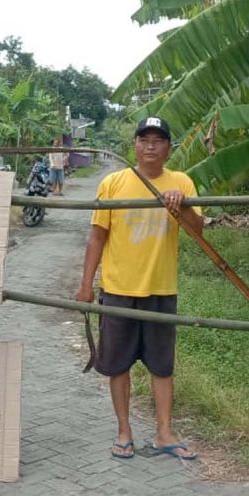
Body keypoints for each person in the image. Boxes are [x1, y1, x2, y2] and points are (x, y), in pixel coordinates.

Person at [75, 116, 204, 461]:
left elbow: (197, 231)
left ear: (168, 148)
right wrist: (86, 284)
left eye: (158, 140)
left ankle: (164, 432)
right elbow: (97, 236)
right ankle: (124, 431)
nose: (150, 146)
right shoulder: (113, 183)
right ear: (134, 145)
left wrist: (182, 206)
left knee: (162, 366)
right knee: (118, 365)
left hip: (161, 289)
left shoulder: (182, 182)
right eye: (144, 139)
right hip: (118, 288)